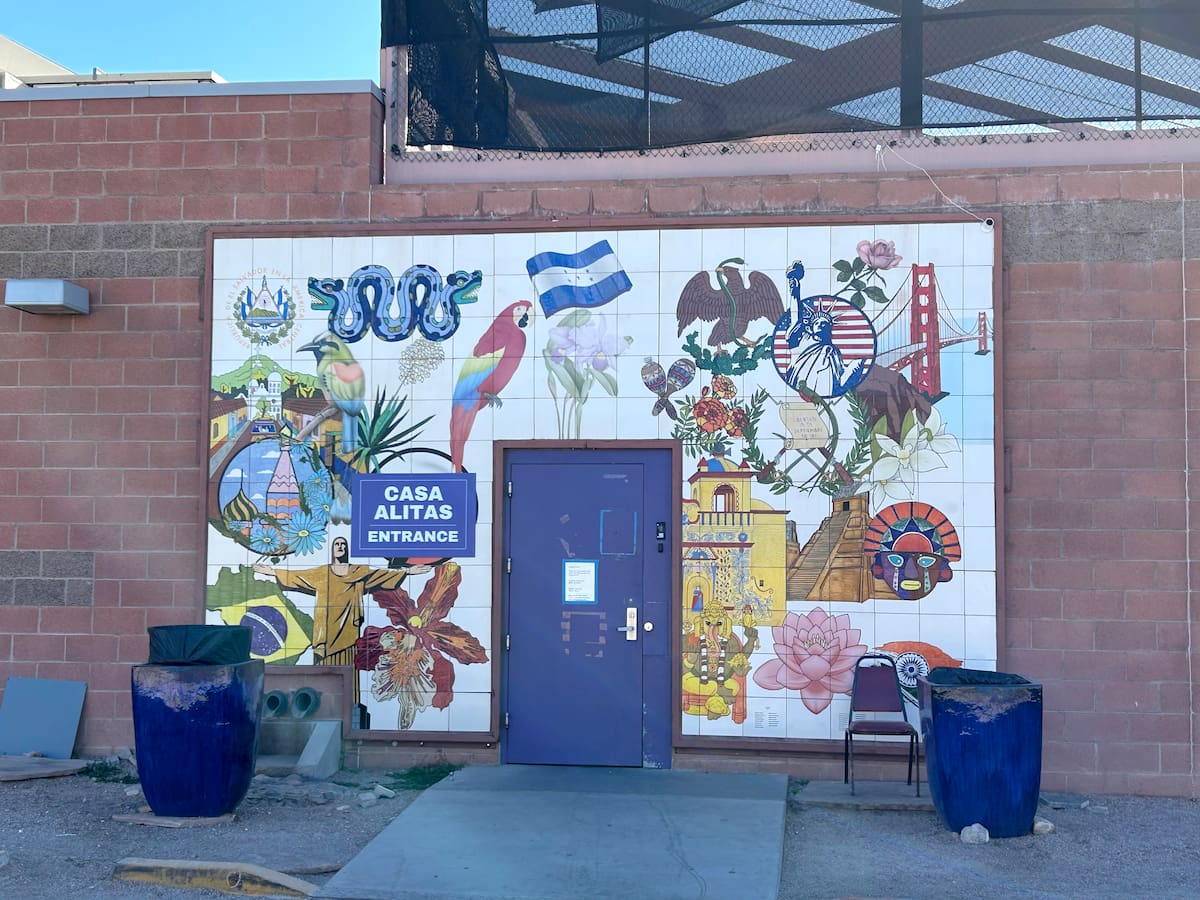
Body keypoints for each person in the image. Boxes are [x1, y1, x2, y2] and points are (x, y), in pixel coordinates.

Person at [255, 536, 431, 704]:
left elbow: (382, 575)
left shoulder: (359, 572)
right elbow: (298, 575)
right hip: (325, 631)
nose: (340, 547)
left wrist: (407, 571)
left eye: (343, 545)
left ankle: (350, 704)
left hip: (348, 630)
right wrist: (272, 572)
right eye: (337, 545)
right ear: (333, 550)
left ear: (347, 550)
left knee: (348, 665)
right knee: (323, 665)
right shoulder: (322, 573)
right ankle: (319, 702)